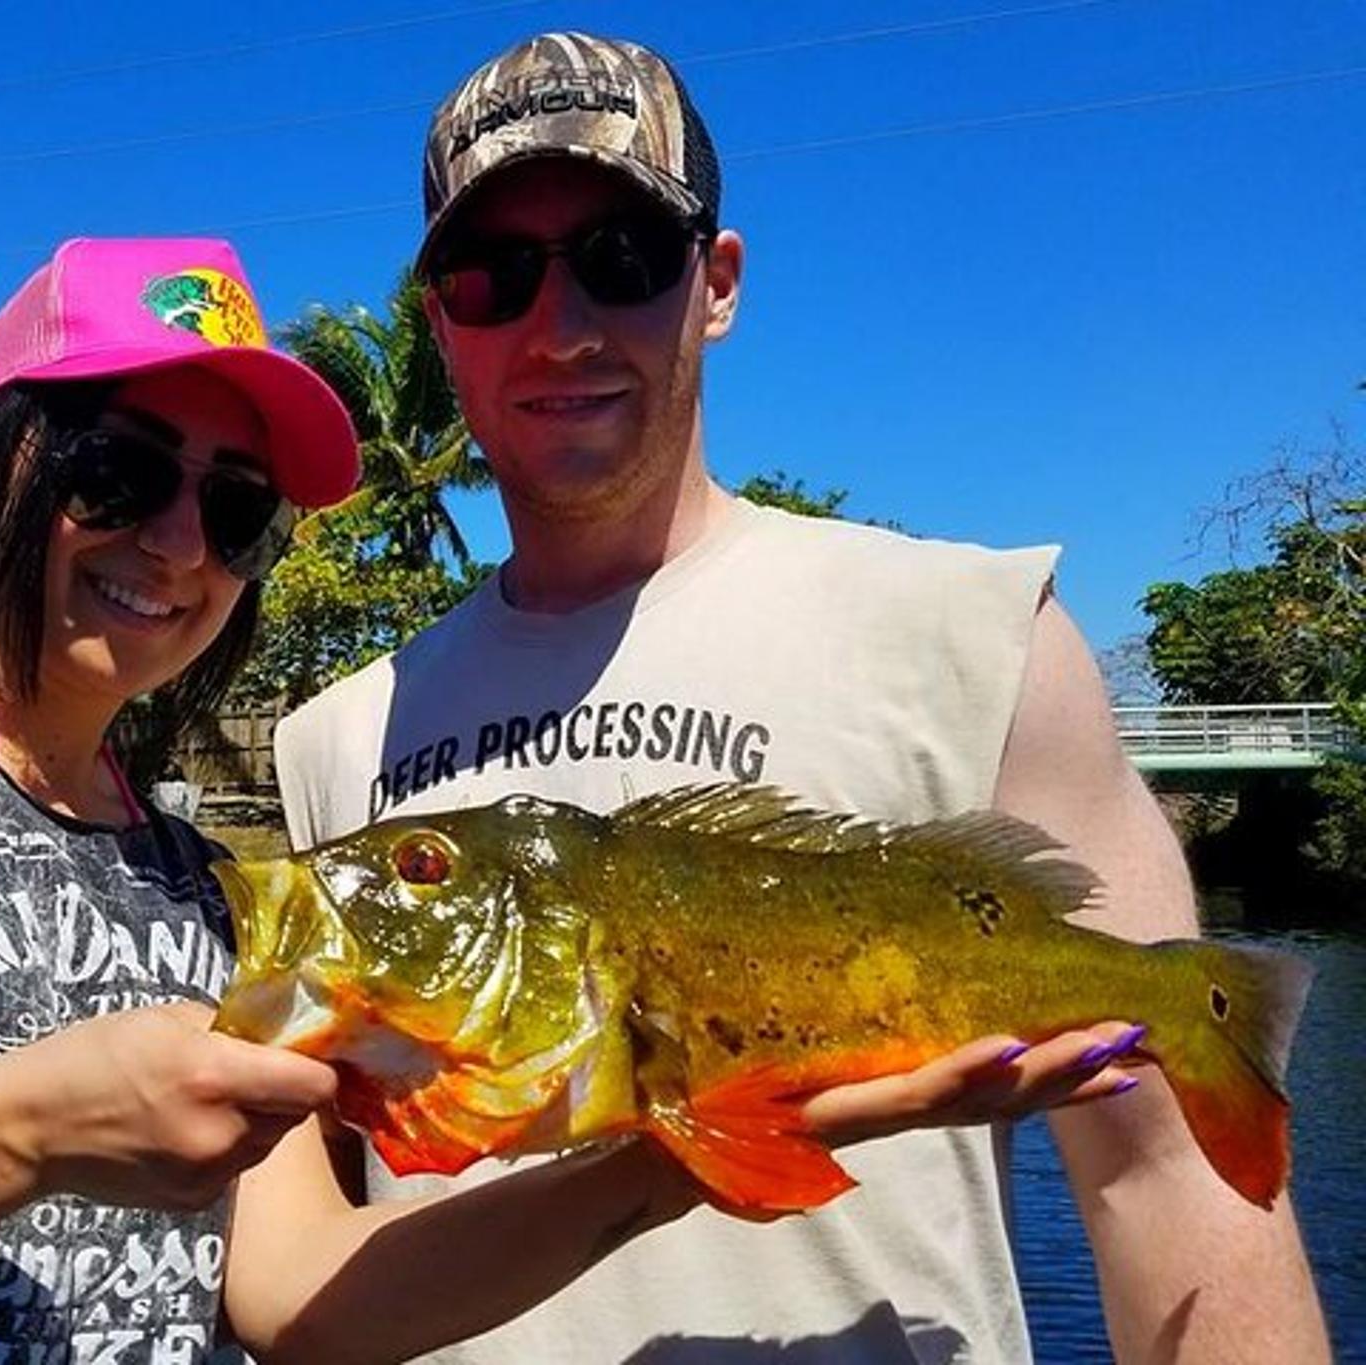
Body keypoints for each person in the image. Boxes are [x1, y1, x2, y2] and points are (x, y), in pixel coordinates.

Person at [0, 235, 1162, 1365]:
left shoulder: (203, 888)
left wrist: (684, 1154)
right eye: (119, 468)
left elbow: (304, 1303)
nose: (180, 544)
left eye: (238, 507)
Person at [274, 32, 1330, 1365]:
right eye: (494, 276)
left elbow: (1162, 1179)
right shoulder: (330, 743)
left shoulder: (979, 635)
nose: (560, 325)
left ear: (715, 283)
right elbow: (311, 1240)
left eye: (622, 259)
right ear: (440, 323)